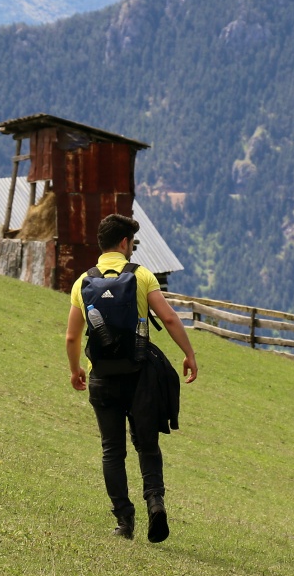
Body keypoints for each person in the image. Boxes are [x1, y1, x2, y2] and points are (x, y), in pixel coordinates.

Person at [66, 214, 198, 542]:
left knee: (112, 449)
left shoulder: (82, 282)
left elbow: (71, 337)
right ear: (124, 243)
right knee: (147, 444)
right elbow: (167, 317)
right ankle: (155, 502)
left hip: (102, 378)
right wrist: (189, 353)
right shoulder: (141, 276)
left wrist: (75, 370)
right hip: (139, 375)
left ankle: (124, 522)